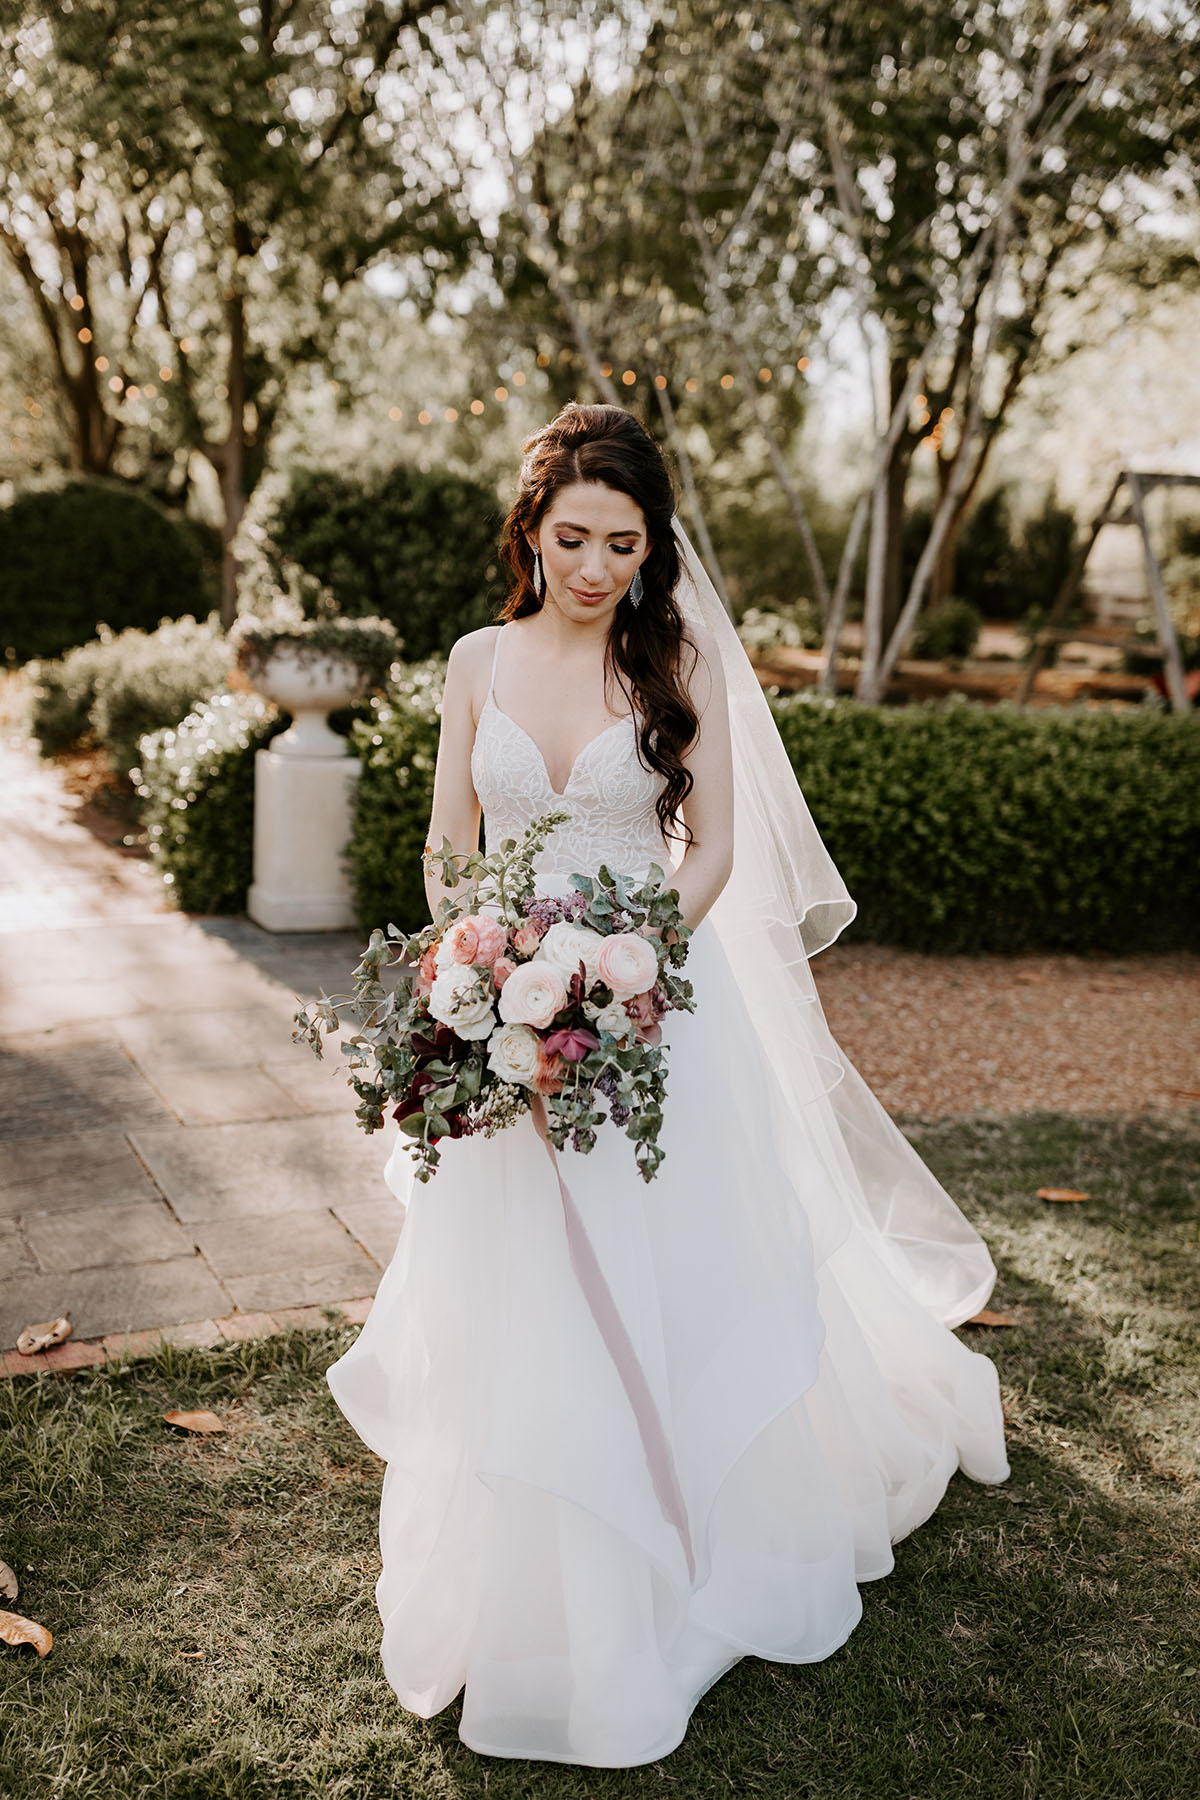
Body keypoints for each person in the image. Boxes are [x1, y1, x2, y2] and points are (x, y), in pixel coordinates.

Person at [326, 401, 1010, 1768]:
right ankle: (536, 1562)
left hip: (653, 1011)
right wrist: (473, 965)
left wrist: (629, 962)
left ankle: (699, 1526)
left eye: (621, 542)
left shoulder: (677, 658)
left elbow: (710, 850)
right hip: (504, 1015)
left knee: (687, 1274)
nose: (594, 566)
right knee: (518, 1292)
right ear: (532, 531)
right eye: (571, 537)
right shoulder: (475, 660)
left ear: (652, 547)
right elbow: (447, 843)